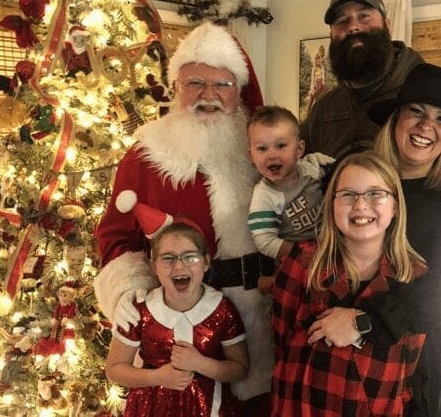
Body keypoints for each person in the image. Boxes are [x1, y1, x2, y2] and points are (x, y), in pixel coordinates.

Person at [94, 21, 273, 412]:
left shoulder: (261, 145)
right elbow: (116, 236)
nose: (208, 95)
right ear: (176, 86)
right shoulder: (146, 153)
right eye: (195, 83)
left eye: (222, 85)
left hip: (261, 314)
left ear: (237, 90)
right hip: (177, 318)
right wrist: (127, 292)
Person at [310, 63, 441, 416]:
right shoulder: (352, 174)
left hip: (413, 354)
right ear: (395, 119)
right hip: (334, 339)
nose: (426, 127)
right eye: (416, 112)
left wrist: (364, 320)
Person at [300, 0, 441, 230]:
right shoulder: (324, 107)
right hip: (342, 247)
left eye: (364, 16)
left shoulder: (431, 92)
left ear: (387, 25)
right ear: (333, 35)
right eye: (342, 22)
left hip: (417, 240)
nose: (353, 26)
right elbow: (294, 162)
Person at [272, 151, 428, 416]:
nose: (360, 205)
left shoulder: (414, 275)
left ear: (395, 207)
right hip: (305, 406)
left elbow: (410, 360)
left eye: (375, 194)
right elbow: (280, 339)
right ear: (332, 204)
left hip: (377, 404)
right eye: (348, 194)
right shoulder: (302, 262)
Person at [105, 192, 249, 416]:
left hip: (208, 408)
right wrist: (158, 377)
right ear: (154, 266)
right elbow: (115, 369)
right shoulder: (141, 310)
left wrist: (201, 363)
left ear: (206, 263)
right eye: (168, 258)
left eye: (190, 257)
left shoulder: (221, 309)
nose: (179, 267)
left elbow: (239, 369)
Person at [247, 105, 333, 293]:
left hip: (333, 249)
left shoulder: (315, 167)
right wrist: (302, 255)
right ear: (251, 156)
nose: (271, 155)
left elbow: (345, 177)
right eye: (262, 148)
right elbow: (265, 241)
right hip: (297, 264)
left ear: (299, 149)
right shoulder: (264, 196)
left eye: (281, 146)